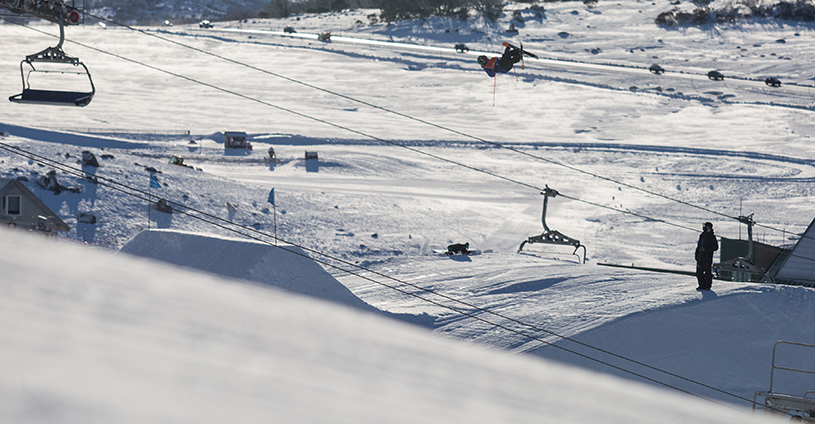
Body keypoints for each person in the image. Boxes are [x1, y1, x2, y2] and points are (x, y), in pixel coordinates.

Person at [695, 222, 718, 290]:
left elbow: (715, 247)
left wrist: (706, 249)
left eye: (704, 226)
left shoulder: (712, 237)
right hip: (700, 258)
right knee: (699, 273)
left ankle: (707, 286)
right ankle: (701, 285)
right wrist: (696, 255)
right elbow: (699, 246)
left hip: (707, 258)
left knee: (707, 273)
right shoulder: (702, 235)